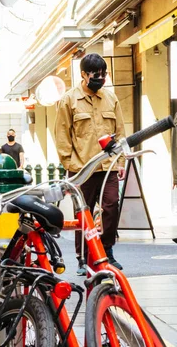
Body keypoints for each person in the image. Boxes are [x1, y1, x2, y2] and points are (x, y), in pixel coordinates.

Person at [55, 53, 126, 276]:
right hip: (82, 169)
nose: (100, 78)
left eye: (103, 74)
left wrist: (121, 160)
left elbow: (121, 133)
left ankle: (106, 249)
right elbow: (62, 135)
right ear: (84, 74)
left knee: (111, 206)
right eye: (96, 74)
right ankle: (83, 257)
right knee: (82, 214)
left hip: (109, 166)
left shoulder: (111, 98)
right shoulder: (69, 100)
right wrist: (71, 165)